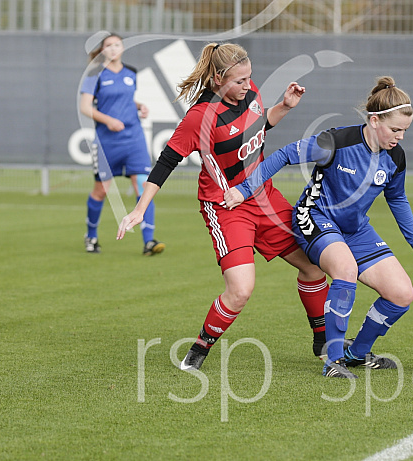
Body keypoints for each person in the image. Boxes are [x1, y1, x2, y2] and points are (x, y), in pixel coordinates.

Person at [117, 42, 330, 370]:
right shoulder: (200, 117)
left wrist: (284, 106)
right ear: (217, 79)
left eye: (249, 78)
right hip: (226, 207)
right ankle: (197, 352)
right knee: (241, 290)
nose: (247, 85)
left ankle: (323, 343)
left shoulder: (251, 92)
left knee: (314, 266)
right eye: (239, 80)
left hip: (264, 196)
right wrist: (140, 208)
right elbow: (166, 161)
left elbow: (259, 125)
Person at [223, 76, 413, 378]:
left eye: (404, 130)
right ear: (374, 120)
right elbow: (286, 154)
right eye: (395, 130)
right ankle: (333, 360)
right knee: (346, 270)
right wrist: (245, 189)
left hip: (355, 229)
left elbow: (398, 198)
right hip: (315, 217)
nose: (400, 137)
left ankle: (356, 354)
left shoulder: (395, 158)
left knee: (401, 294)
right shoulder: (337, 141)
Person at [80, 33, 165, 255]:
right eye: (108, 45)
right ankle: (91, 236)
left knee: (143, 186)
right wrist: (109, 120)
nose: (113, 48)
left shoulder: (131, 72)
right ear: (102, 51)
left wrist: (139, 106)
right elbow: (85, 107)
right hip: (107, 141)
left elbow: (124, 98)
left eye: (117, 44)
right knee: (101, 190)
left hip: (134, 138)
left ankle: (149, 241)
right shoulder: (94, 74)